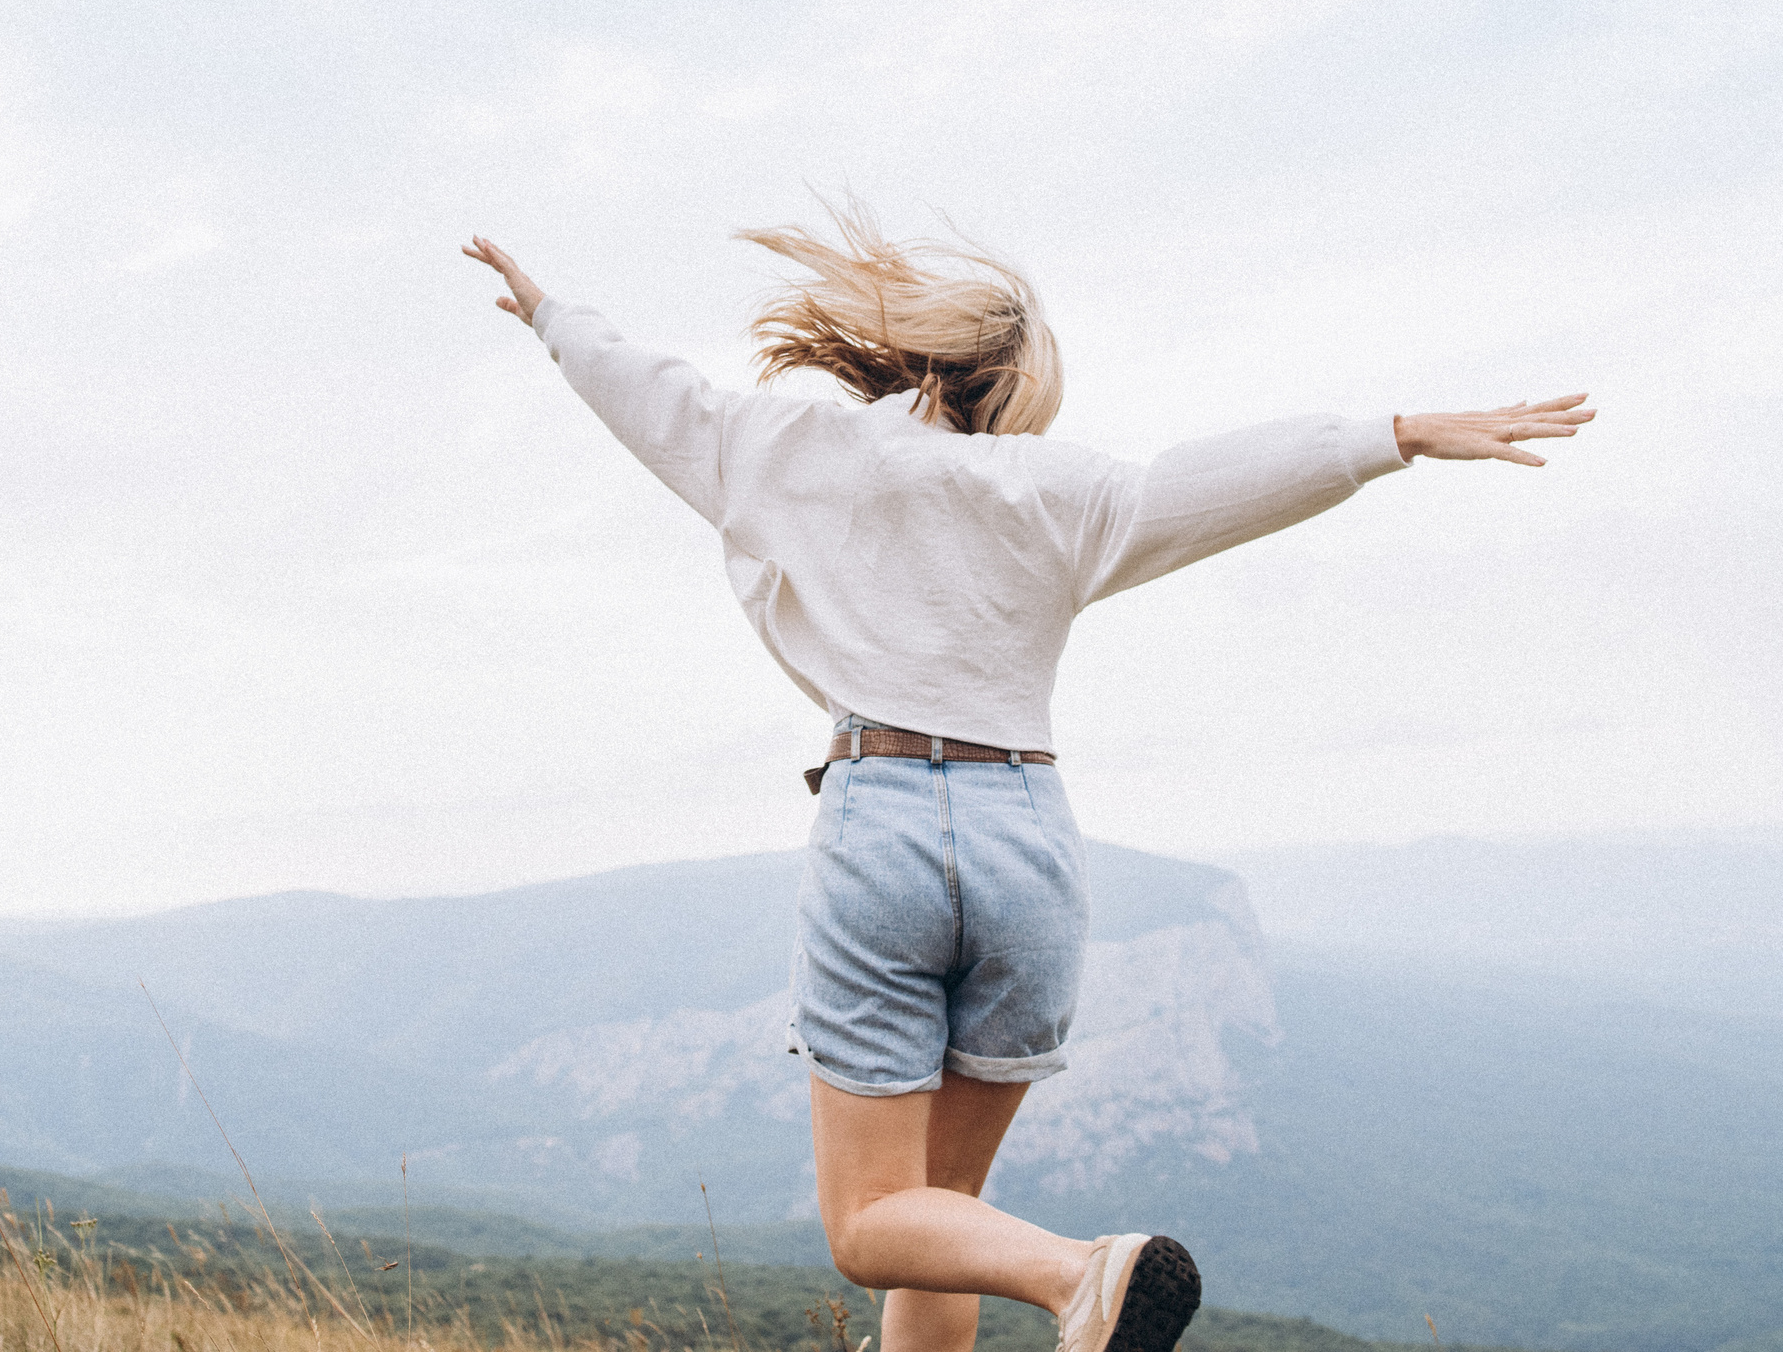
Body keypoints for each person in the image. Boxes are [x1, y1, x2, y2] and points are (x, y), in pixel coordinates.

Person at [463, 215, 1592, 1352]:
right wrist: (1384, 434)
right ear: (1016, 385)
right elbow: (1207, 481)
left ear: (913, 360)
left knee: (867, 1227)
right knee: (938, 1214)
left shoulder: (799, 451)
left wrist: (556, 317)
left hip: (884, 818)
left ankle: (1082, 1273)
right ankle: (1063, 1282)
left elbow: (652, 394)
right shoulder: (1061, 490)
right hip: (1030, 843)